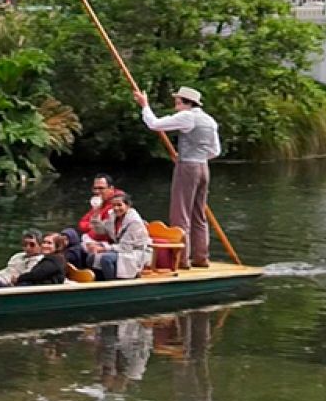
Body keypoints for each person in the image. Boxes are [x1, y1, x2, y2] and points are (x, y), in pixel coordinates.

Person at [134, 86, 222, 267]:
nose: (176, 106)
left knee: (180, 214)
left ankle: (182, 259)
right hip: (203, 167)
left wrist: (145, 105)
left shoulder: (188, 117)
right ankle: (201, 257)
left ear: (186, 102)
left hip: (188, 168)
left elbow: (154, 124)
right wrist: (198, 157)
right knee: (199, 215)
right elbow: (215, 151)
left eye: (177, 102)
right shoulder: (209, 120)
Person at [89, 194, 152, 281]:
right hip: (121, 249)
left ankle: (112, 286)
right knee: (91, 256)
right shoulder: (113, 216)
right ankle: (97, 283)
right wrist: (96, 214)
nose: (116, 208)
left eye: (119, 205)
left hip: (136, 252)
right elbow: (102, 230)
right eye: (114, 205)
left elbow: (125, 247)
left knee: (106, 259)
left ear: (127, 206)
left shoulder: (134, 222)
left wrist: (103, 248)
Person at [77, 174, 120, 242]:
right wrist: (91, 226)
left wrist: (91, 228)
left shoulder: (117, 205)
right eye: (95, 188)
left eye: (101, 188)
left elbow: (103, 232)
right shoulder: (101, 202)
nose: (97, 192)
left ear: (111, 189)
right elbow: (82, 223)